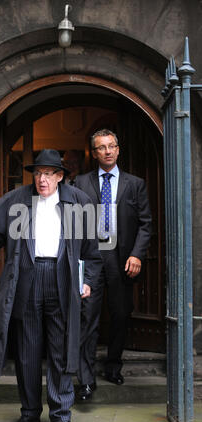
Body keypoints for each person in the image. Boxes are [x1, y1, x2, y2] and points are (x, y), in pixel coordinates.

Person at [0, 149, 102, 422]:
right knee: (28, 351)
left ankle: (60, 416)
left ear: (60, 176)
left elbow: (92, 251)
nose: (42, 179)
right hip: (27, 278)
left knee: (60, 350)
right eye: (38, 173)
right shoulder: (16, 200)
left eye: (48, 174)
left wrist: (87, 280)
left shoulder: (78, 202)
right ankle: (29, 412)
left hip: (63, 278)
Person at [74, 129, 152, 400]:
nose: (107, 151)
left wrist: (137, 254)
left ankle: (112, 366)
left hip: (122, 258)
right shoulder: (80, 183)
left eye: (111, 146)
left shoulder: (135, 184)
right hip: (92, 258)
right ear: (94, 153)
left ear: (118, 149)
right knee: (87, 317)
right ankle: (84, 379)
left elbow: (145, 224)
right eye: (101, 147)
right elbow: (72, 223)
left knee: (120, 315)